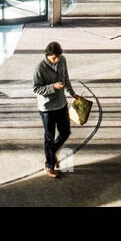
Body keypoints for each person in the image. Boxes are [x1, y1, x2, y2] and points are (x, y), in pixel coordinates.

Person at [33, 41, 80, 177]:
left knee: (65, 132)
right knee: (49, 137)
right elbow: (36, 89)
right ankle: (49, 165)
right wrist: (53, 87)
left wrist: (72, 93)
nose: (57, 60)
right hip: (47, 109)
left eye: (58, 57)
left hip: (61, 104)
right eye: (54, 58)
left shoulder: (62, 60)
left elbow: (66, 78)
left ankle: (50, 154)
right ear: (47, 55)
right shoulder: (39, 68)